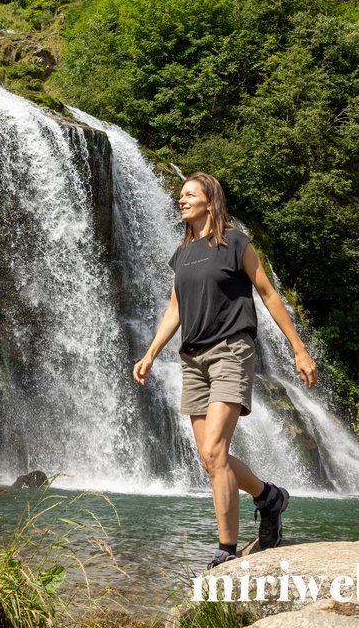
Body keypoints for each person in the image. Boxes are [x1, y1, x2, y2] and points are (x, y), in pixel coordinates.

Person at [133, 172, 318, 570]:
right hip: (193, 359)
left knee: (215, 450)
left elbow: (267, 292)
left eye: (189, 195)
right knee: (209, 456)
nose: (181, 200)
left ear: (209, 200)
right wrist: (150, 353)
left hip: (231, 350)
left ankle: (226, 551)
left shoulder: (235, 242)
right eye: (180, 196)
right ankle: (269, 497)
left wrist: (299, 350)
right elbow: (175, 310)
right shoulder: (182, 254)